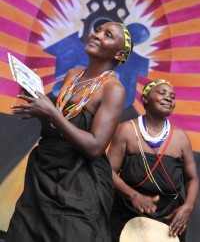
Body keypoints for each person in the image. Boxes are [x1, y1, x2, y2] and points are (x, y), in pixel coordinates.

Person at [6, 22, 133, 242]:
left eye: (108, 35)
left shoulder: (114, 89)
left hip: (79, 184)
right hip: (44, 175)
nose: (97, 35)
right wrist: (38, 103)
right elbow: (58, 127)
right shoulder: (73, 75)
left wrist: (52, 113)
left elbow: (94, 147)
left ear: (119, 53)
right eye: (98, 30)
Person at [107, 79, 199, 242]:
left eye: (172, 96)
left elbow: (192, 178)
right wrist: (133, 195)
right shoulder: (127, 130)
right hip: (127, 211)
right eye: (161, 93)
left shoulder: (180, 137)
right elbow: (108, 171)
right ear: (145, 98)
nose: (169, 98)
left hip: (169, 217)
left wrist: (188, 207)